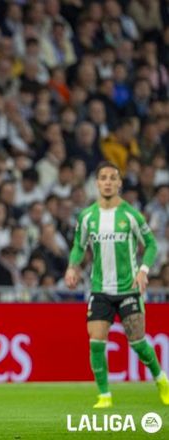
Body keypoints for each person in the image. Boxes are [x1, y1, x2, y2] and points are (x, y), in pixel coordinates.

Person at [64, 161, 168, 409]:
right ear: (97, 183)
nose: (108, 182)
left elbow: (151, 244)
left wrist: (143, 270)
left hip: (129, 289)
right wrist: (72, 266)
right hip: (100, 289)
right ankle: (104, 396)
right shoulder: (88, 216)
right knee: (96, 342)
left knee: (138, 343)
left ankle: (161, 379)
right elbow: (79, 245)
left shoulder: (131, 215)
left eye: (113, 178)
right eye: (103, 178)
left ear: (119, 183)